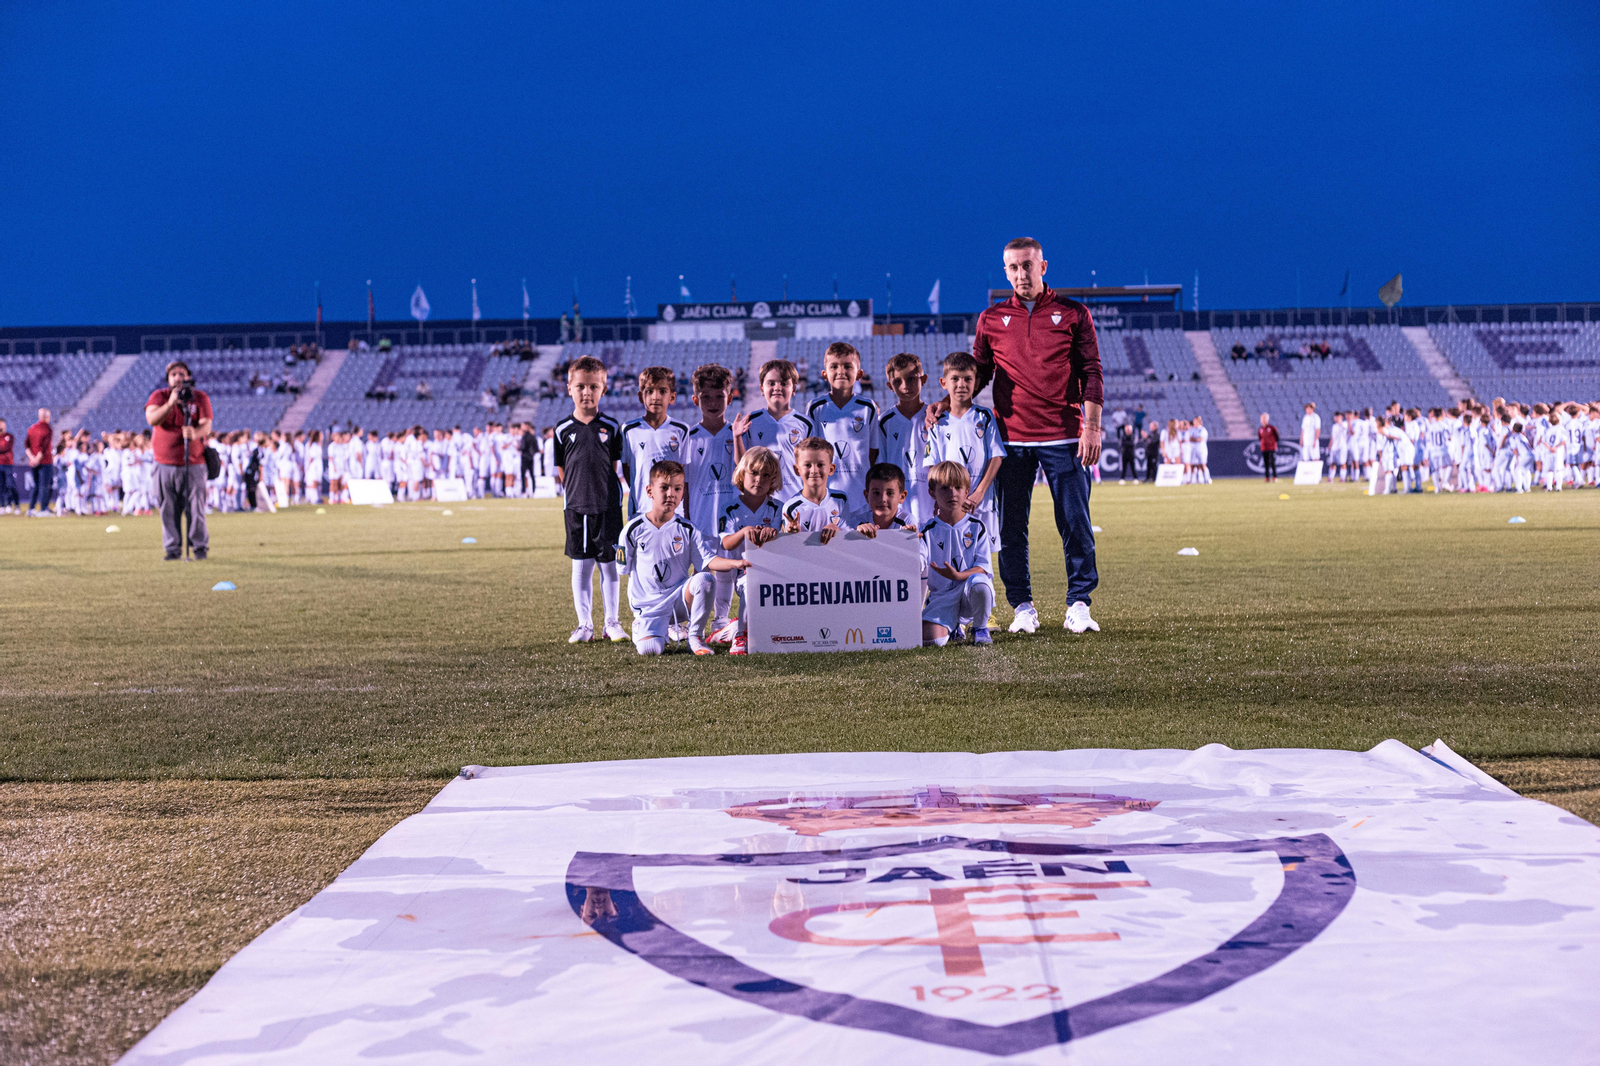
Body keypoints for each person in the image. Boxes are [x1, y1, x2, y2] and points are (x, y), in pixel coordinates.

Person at [969, 237, 1103, 636]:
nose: (1021, 274)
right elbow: (977, 375)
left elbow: (1092, 372)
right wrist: (946, 403)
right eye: (1013, 267)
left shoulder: (1074, 313)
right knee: (1011, 527)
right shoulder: (990, 318)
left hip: (1064, 434)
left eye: (1028, 265)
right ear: (1005, 271)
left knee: (1075, 521)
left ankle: (1078, 604)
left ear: (1043, 266)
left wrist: (1092, 426)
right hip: (1010, 438)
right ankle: (1022, 607)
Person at [619, 459, 748, 656]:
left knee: (705, 579)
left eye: (677, 489)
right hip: (649, 607)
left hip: (678, 600)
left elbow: (708, 561)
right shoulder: (633, 530)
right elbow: (623, 569)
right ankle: (644, 627)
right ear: (649, 490)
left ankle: (695, 637)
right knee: (650, 650)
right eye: (664, 487)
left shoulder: (687, 528)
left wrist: (737, 563)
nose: (671, 494)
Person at [554, 356, 626, 644]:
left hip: (608, 507)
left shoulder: (611, 426)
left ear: (603, 389)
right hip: (576, 507)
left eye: (593, 387)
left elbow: (615, 466)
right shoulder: (562, 430)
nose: (587, 392)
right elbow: (562, 469)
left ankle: (612, 623)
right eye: (580, 386)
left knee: (610, 565)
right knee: (581, 566)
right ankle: (585, 625)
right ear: (569, 387)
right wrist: (577, 492)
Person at [682, 364, 740, 640]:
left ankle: (720, 621)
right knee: (702, 571)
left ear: (730, 397)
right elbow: (684, 484)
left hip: (730, 516)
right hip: (701, 516)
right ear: (696, 400)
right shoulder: (689, 438)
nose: (713, 403)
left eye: (719, 396)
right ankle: (695, 624)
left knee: (727, 569)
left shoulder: (738, 434)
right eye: (706, 397)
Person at [715, 445, 786, 655]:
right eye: (753, 473)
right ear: (741, 474)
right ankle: (740, 636)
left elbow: (787, 540)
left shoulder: (779, 507)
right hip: (743, 571)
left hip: (775, 569)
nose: (759, 480)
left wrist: (775, 535)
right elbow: (726, 543)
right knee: (750, 581)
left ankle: (729, 630)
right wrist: (744, 531)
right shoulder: (729, 508)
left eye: (766, 475)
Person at [926, 352, 1005, 536]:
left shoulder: (985, 416)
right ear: (943, 382)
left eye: (967, 379)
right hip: (950, 502)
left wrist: (979, 493)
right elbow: (933, 465)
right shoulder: (937, 422)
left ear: (976, 383)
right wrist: (940, 497)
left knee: (982, 556)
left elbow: (996, 456)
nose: (961, 384)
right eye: (955, 379)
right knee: (952, 552)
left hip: (981, 502)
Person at [920, 460, 995, 647]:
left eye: (958, 487)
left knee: (980, 583)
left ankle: (979, 627)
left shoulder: (977, 527)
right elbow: (919, 562)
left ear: (966, 491)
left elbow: (984, 568)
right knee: (931, 640)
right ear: (932, 493)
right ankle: (952, 627)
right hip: (942, 597)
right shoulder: (927, 530)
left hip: (970, 593)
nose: (952, 493)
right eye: (944, 488)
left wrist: (959, 575)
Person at [144, 362, 213, 559]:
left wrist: (195, 433)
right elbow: (152, 419)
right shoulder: (160, 396)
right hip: (164, 463)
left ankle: (199, 547)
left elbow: (206, 425)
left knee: (196, 508)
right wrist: (171, 403)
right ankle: (172, 549)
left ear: (188, 376)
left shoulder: (199, 397)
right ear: (168, 378)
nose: (177, 377)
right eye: (173, 374)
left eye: (181, 373)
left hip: (193, 462)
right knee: (167, 508)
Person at [806, 341, 880, 502]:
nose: (841, 371)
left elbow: (873, 452)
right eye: (834, 366)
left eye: (847, 366)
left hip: (861, 495)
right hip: (826, 495)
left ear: (859, 374)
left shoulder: (868, 408)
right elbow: (810, 453)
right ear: (824, 374)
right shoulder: (816, 408)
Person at [732, 359, 811, 503]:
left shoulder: (805, 424)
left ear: (794, 389)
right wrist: (737, 437)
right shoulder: (752, 421)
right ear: (762, 388)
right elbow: (741, 464)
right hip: (762, 501)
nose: (777, 387)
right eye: (771, 383)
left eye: (784, 383)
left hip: (796, 499)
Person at [620, 368, 690, 520]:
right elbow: (628, 469)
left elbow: (682, 471)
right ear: (640, 396)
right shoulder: (629, 430)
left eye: (663, 391)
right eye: (650, 391)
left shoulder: (681, 430)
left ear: (672, 397)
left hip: (672, 511)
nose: (656, 397)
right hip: (640, 509)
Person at [878, 353, 933, 527]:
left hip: (930, 502)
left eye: (911, 379)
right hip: (898, 506)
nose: (905, 386)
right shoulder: (885, 422)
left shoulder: (934, 417)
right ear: (889, 386)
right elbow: (882, 466)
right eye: (897, 382)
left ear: (923, 379)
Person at [782, 437, 850, 536]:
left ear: (831, 469)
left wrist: (836, 529)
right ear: (797, 470)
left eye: (820, 465)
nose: (814, 470)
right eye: (808, 465)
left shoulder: (841, 499)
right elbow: (787, 544)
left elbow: (848, 534)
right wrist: (792, 533)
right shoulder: (791, 507)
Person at [24, 408, 54, 516]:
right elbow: (44, 447)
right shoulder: (48, 429)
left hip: (33, 462)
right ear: (46, 417)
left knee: (36, 485)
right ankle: (43, 509)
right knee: (45, 486)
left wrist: (32, 458)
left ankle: (31, 508)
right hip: (45, 461)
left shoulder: (31, 429)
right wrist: (37, 459)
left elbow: (26, 445)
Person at [1258, 413, 1280, 482]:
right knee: (1266, 463)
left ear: (1267, 419)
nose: (1263, 420)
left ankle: (1274, 477)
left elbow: (1277, 437)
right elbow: (1260, 438)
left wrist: (1273, 444)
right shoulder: (1260, 429)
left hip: (1272, 448)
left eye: (1264, 418)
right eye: (1262, 418)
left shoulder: (1272, 428)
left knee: (1272, 463)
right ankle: (1267, 477)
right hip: (1264, 448)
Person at [1300, 403, 1322, 470]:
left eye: (1309, 408)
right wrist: (1301, 439)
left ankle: (1317, 475)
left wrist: (1315, 440)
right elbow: (1303, 430)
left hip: (1312, 440)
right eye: (1306, 408)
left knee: (1315, 458)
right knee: (1306, 458)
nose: (1307, 410)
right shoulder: (1305, 417)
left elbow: (1317, 430)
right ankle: (1307, 475)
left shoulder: (1316, 417)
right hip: (1306, 441)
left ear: (1312, 409)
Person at [0, 418, 15, 513]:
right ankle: (2, 505)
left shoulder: (9, 436)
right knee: (1, 485)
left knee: (9, 484)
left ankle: (9, 504)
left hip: (8, 464)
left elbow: (7, 447)